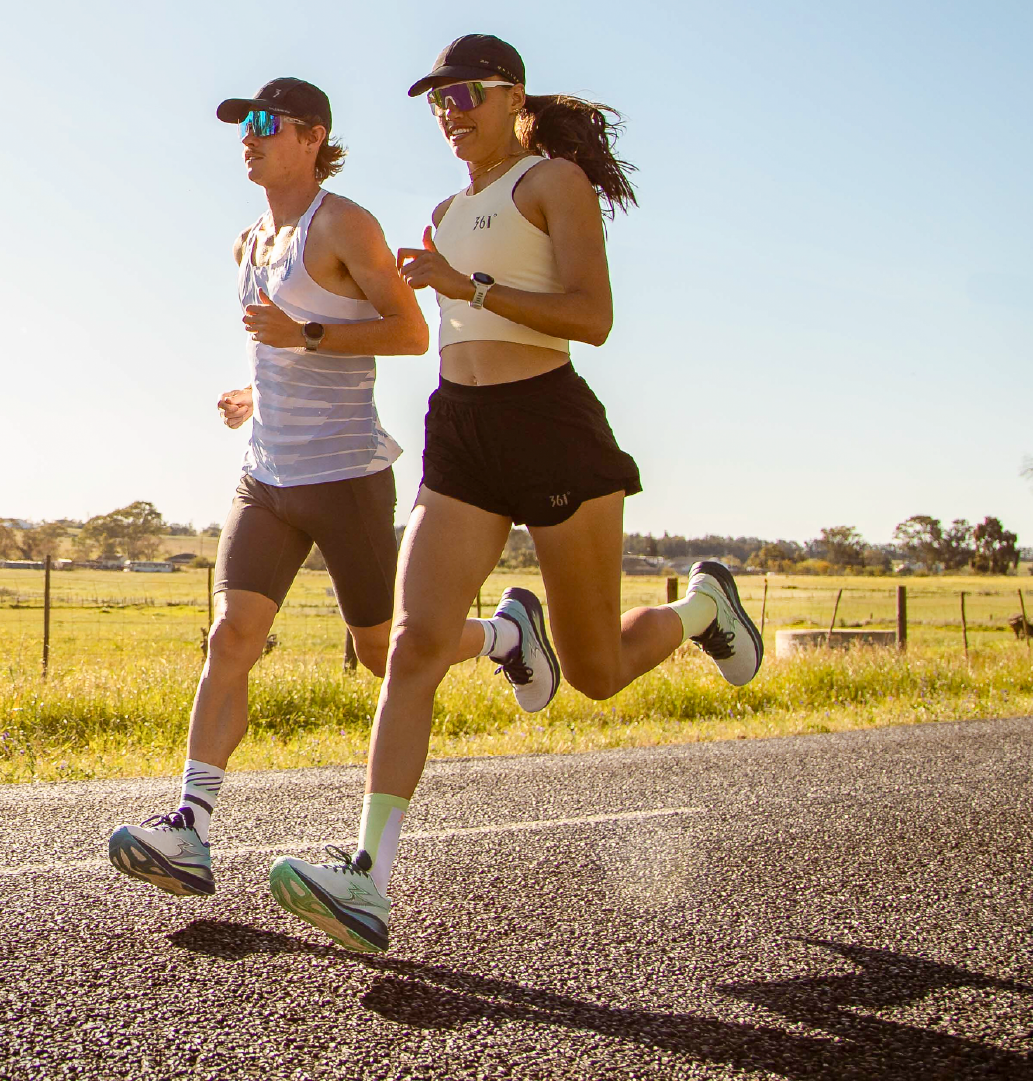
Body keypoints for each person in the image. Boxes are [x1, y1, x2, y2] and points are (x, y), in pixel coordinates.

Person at [266, 36, 763, 953]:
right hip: (459, 430)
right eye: (437, 101)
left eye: (464, 95)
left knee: (596, 672)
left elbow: (592, 316)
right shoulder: (447, 206)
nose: (449, 112)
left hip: (548, 423)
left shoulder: (551, 183)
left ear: (511, 96)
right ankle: (367, 878)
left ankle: (700, 609)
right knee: (411, 643)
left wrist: (468, 285)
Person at [108, 77, 547, 898]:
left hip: (345, 474)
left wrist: (306, 334)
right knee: (231, 635)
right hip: (266, 476)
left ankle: (505, 637)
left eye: (266, 124)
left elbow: (410, 332)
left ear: (312, 137)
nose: (249, 136)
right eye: (242, 125)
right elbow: (272, 348)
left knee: (385, 650)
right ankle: (191, 827)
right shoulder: (247, 241)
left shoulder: (343, 223)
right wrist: (254, 393)